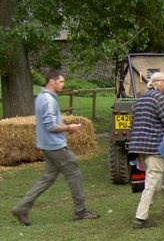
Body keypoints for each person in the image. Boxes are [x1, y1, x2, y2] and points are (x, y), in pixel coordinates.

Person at [11, 70, 100, 225]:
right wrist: (69, 127)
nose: (63, 84)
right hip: (56, 147)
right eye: (61, 81)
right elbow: (51, 126)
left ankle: (21, 208)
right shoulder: (48, 100)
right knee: (75, 175)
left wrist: (66, 128)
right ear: (52, 81)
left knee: (47, 178)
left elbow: (49, 124)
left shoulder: (41, 97)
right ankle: (81, 211)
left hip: (47, 145)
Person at [129, 72, 164, 228]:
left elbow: (133, 124)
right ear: (161, 83)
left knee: (163, 179)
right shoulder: (161, 99)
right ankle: (140, 218)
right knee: (153, 182)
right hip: (154, 146)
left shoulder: (141, 99)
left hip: (139, 146)